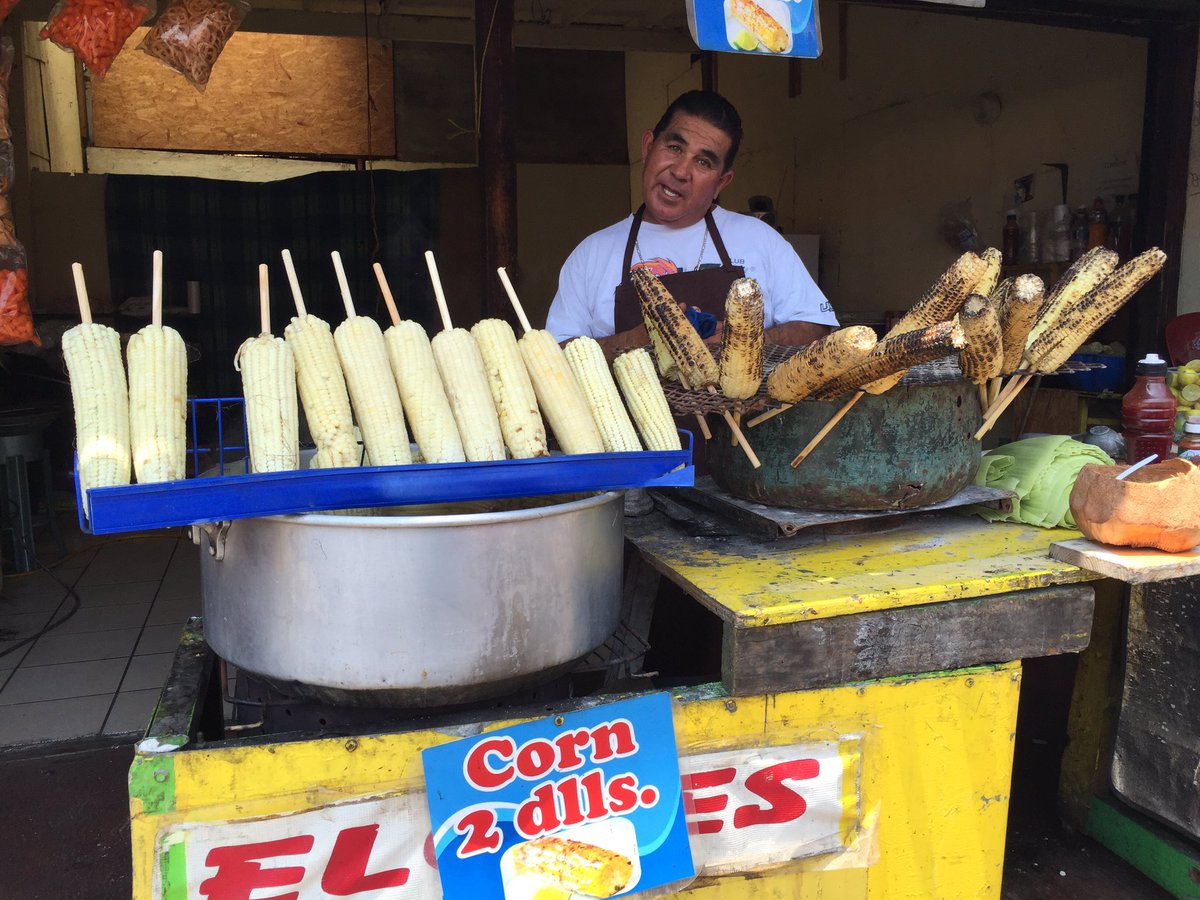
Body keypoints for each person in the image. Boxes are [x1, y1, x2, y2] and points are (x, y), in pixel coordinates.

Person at [546, 90, 838, 357]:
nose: (681, 171)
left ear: (721, 182)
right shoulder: (592, 254)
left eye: (704, 163)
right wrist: (630, 343)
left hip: (741, 416)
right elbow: (555, 355)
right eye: (674, 147)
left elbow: (817, 330)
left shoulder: (759, 240)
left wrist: (748, 341)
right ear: (648, 147)